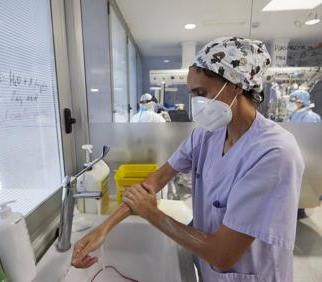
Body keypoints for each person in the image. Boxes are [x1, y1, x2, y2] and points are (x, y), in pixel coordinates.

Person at [71, 37, 304, 281]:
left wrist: (153, 214)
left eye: (201, 93)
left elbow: (223, 254)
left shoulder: (274, 153)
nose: (197, 104)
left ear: (236, 85)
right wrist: (103, 229)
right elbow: (153, 182)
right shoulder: (206, 135)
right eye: (192, 94)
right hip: (210, 272)